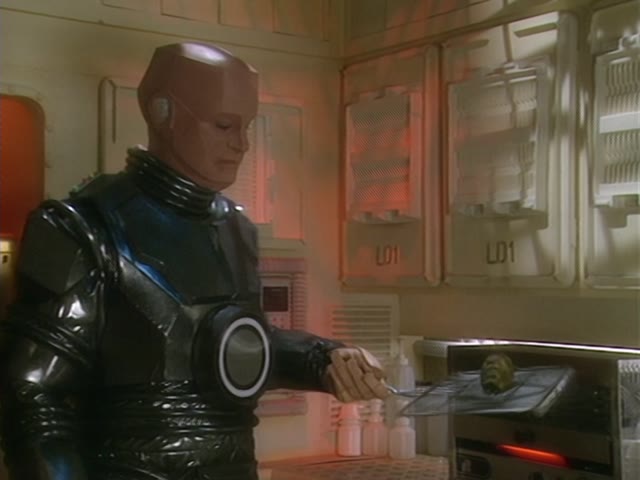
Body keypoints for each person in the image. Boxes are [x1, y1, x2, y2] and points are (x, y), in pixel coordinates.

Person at [0, 42, 388, 480]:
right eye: (223, 125)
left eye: (246, 127)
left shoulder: (234, 228)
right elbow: (32, 397)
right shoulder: (80, 227)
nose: (241, 144)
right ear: (162, 111)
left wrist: (325, 359)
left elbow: (230, 349)